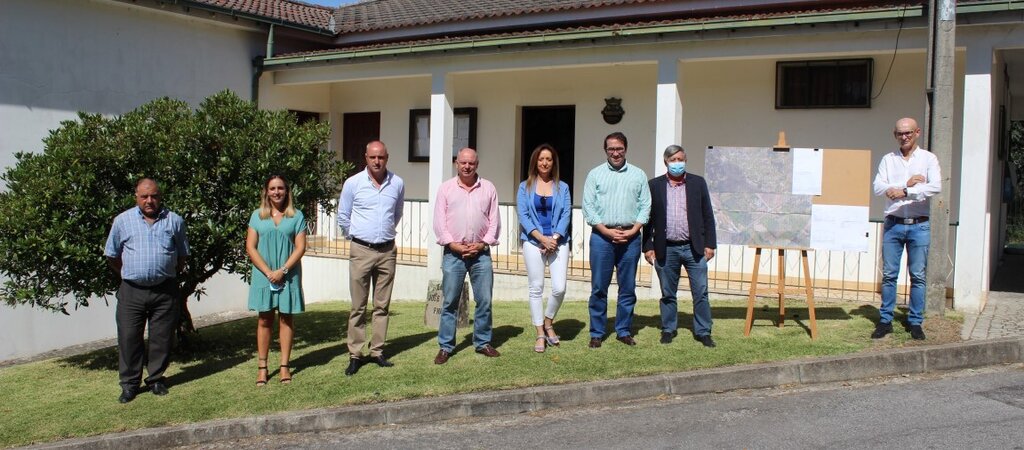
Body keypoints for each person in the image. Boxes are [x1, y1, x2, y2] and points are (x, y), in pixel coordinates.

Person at [104, 178, 189, 403]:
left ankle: (156, 379)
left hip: (165, 290)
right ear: (136, 197)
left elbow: (182, 255)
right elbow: (112, 255)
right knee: (129, 337)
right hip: (132, 291)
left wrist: (166, 271)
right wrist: (130, 273)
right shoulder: (122, 221)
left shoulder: (174, 221)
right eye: (144, 196)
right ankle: (129, 384)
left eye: (154, 196)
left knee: (162, 337)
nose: (149, 201)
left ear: (160, 196)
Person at [337, 141, 405, 376]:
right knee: (358, 306)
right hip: (361, 250)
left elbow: (396, 213)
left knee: (382, 306)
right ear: (366, 157)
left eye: (381, 157)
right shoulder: (353, 183)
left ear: (387, 157)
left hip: (387, 251)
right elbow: (343, 216)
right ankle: (355, 354)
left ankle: (377, 351)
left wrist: (383, 234)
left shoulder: (397, 183)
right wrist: (357, 237)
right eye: (373, 157)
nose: (377, 161)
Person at [871, 117, 941, 340]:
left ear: (917, 132)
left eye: (908, 132)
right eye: (900, 133)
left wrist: (905, 192)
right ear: (895, 135)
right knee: (889, 275)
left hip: (919, 225)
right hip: (894, 223)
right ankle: (885, 320)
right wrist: (906, 184)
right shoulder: (888, 159)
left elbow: (935, 186)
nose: (904, 137)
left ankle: (915, 321)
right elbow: (878, 187)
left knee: (918, 276)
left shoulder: (928, 159)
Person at [642, 145, 718, 348]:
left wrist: (710, 244)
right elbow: (647, 219)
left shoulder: (698, 183)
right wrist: (647, 246)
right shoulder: (654, 185)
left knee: (700, 292)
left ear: (686, 160)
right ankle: (668, 329)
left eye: (680, 159)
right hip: (666, 248)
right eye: (673, 160)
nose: (677, 163)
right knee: (668, 293)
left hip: (694, 248)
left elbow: (708, 215)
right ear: (665, 162)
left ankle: (703, 331)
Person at [582, 132, 651, 348]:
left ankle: (623, 330)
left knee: (627, 287)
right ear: (605, 150)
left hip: (631, 238)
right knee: (599, 288)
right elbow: (588, 207)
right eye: (611, 149)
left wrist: (634, 230)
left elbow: (645, 205)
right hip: (602, 238)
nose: (615, 153)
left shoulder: (639, 175)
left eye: (619, 148)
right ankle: (597, 332)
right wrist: (606, 231)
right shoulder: (595, 175)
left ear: (625, 149)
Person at [432, 148, 501, 364]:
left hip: (481, 254)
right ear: (456, 163)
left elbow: (494, 222)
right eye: (463, 162)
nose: (467, 166)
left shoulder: (488, 188)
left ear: (477, 164)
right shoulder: (445, 189)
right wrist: (454, 245)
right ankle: (445, 346)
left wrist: (482, 244)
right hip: (453, 254)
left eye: (471, 163)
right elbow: (439, 222)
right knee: (450, 302)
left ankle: (482, 342)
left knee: (485, 301)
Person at [246, 175, 307, 385]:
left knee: (286, 318)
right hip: (263, 275)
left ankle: (284, 366)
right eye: (272, 188)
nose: (276, 192)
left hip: (288, 274)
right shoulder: (257, 216)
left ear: (287, 191)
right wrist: (268, 272)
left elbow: (300, 247)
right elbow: (250, 247)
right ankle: (262, 368)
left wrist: (282, 270)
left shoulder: (297, 216)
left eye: (280, 188)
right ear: (266, 191)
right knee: (264, 319)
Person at [516, 143, 572, 353]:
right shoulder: (524, 187)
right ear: (535, 162)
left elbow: (566, 214)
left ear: (553, 162)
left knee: (559, 288)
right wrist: (541, 238)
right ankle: (540, 332)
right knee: (536, 287)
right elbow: (523, 216)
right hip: (533, 242)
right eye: (541, 159)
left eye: (549, 159)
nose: (545, 163)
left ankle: (548, 321)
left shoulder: (563, 187)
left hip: (558, 242)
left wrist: (554, 238)